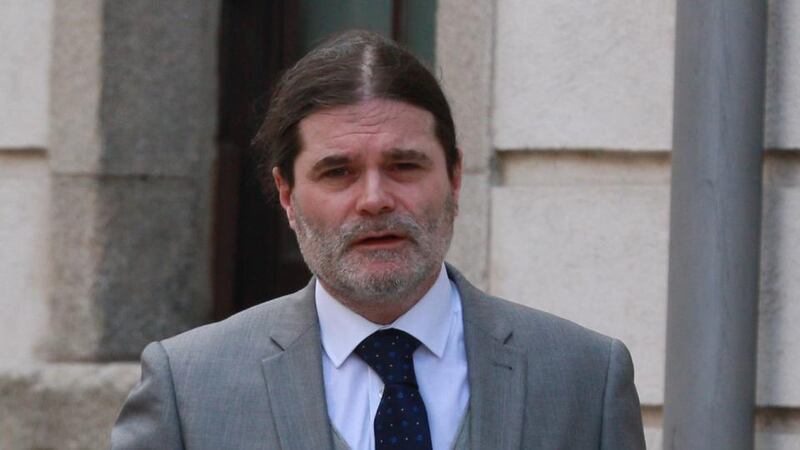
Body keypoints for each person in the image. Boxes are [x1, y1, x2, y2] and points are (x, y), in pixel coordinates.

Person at [111, 30, 646, 450]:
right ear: (287, 194)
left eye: (404, 166)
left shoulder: (585, 377)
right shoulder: (189, 387)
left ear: (454, 176)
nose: (374, 200)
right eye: (338, 172)